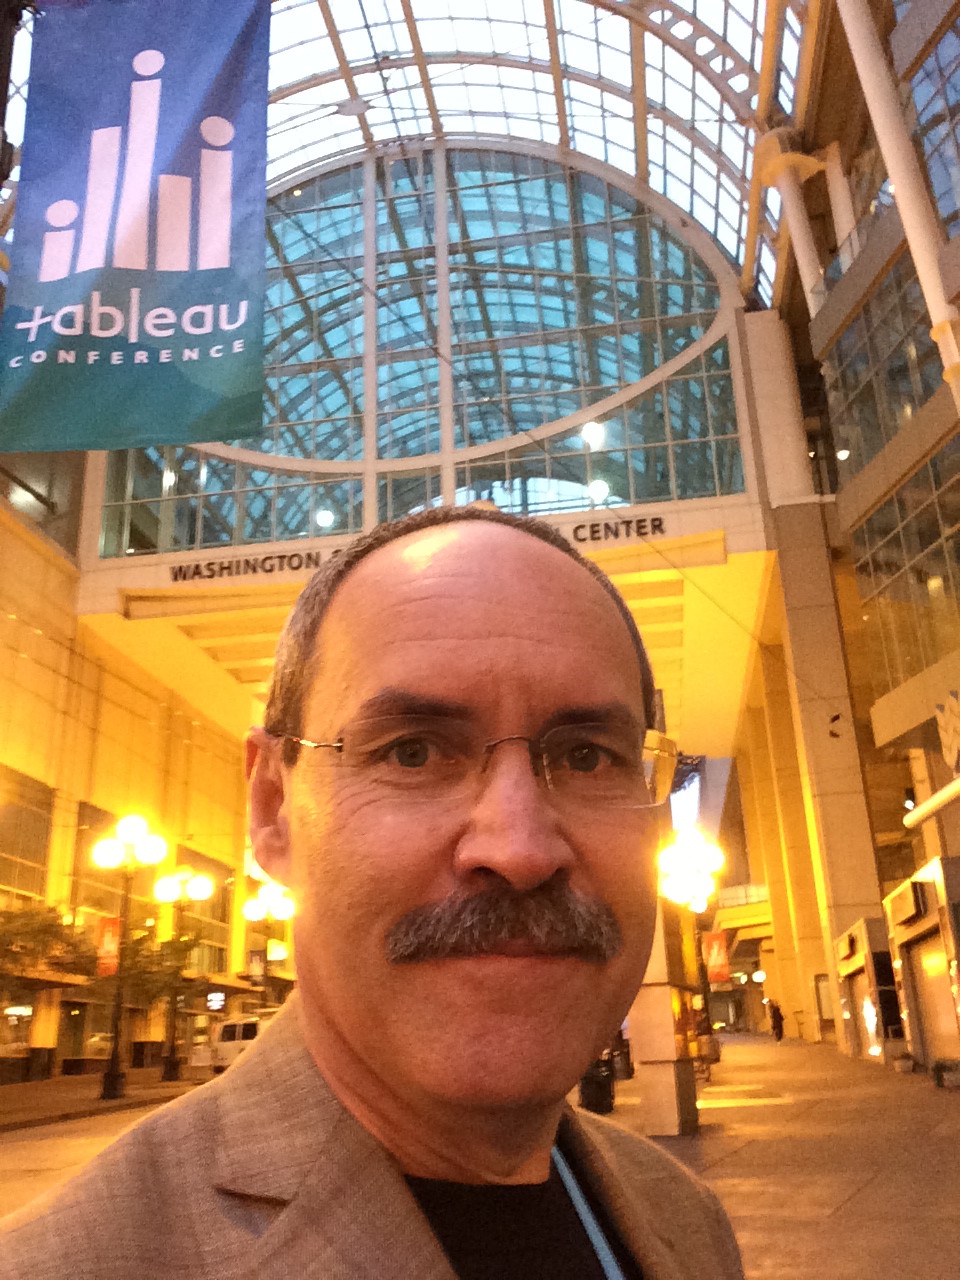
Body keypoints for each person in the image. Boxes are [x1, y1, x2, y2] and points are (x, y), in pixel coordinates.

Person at [0, 507, 743, 1279]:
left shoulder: (682, 1217)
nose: (521, 848)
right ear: (274, 811)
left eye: (588, 757)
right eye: (413, 752)